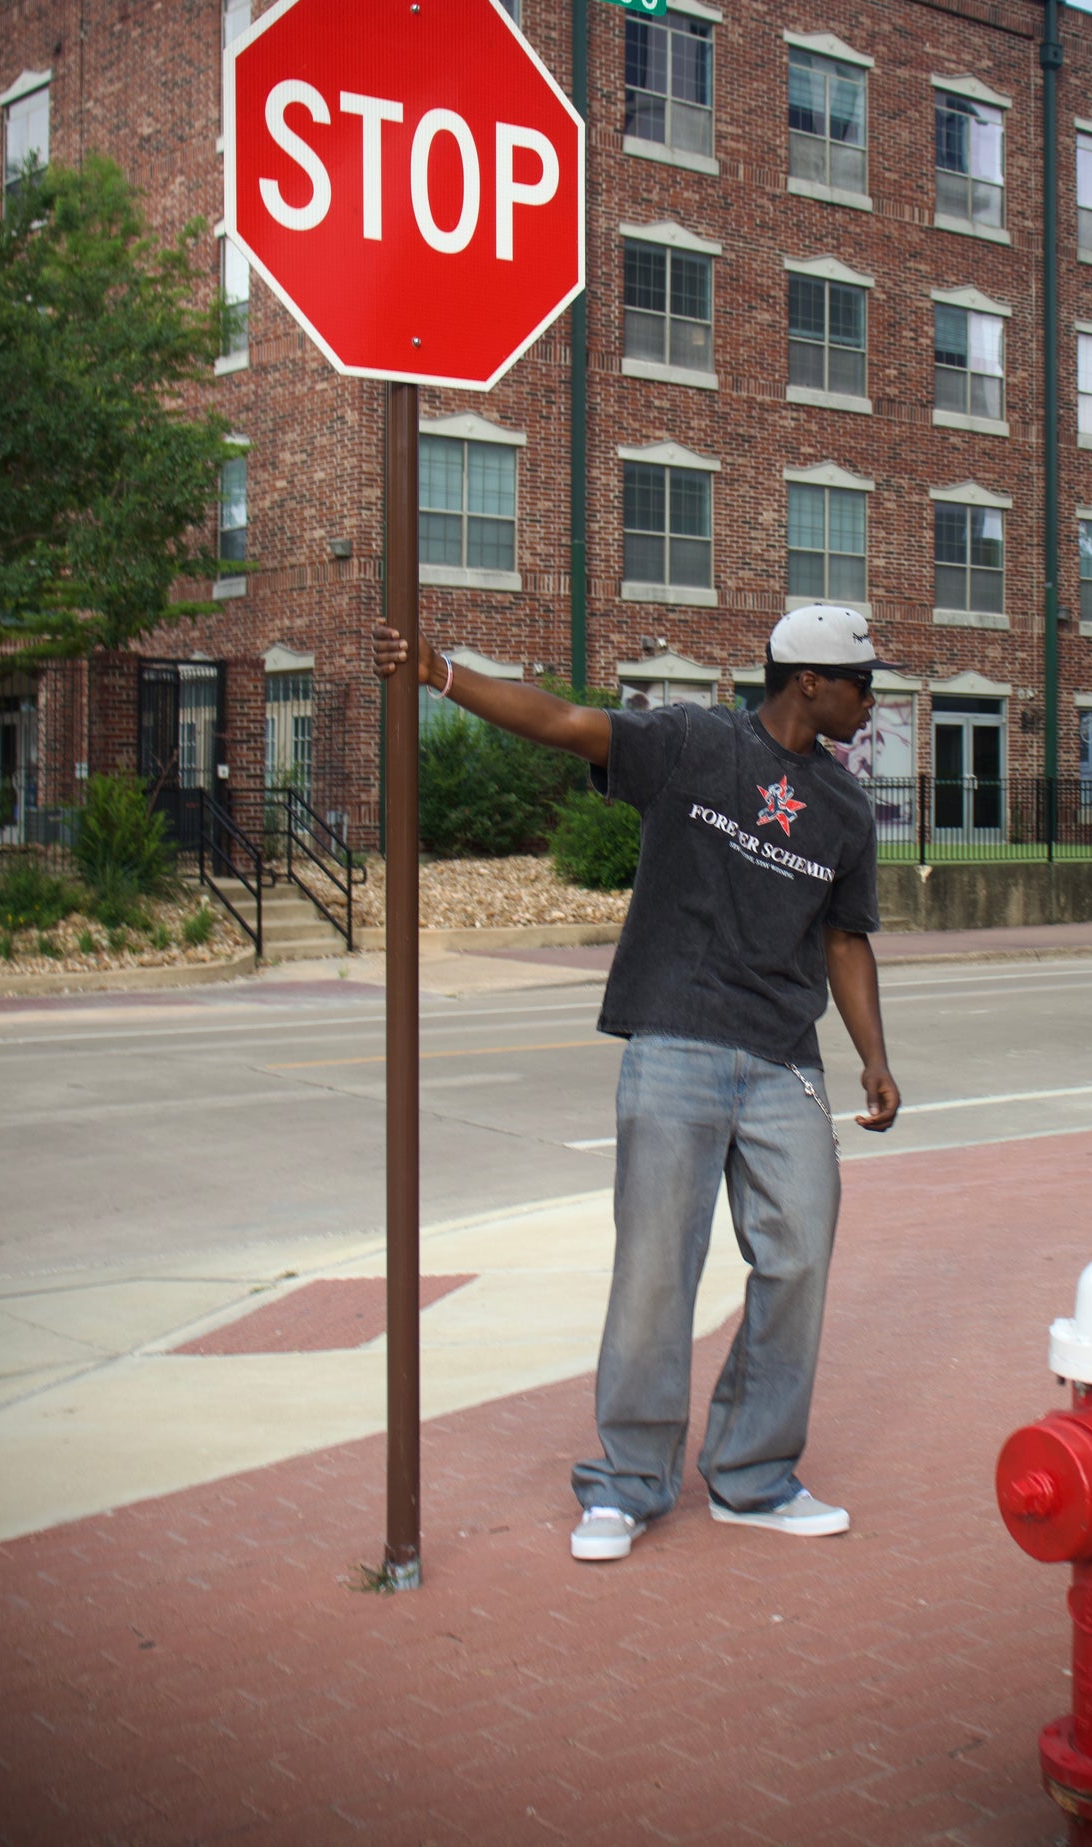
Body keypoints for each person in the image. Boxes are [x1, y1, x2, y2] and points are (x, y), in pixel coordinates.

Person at [372, 603, 901, 1563]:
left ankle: (753, 1475)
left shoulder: (844, 809)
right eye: (864, 684)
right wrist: (440, 676)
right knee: (657, 1270)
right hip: (675, 1042)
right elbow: (567, 722)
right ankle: (625, 1484)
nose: (873, 701)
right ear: (811, 682)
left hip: (783, 1058)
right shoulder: (695, 744)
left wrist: (872, 1053)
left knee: (801, 1259)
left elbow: (843, 936)